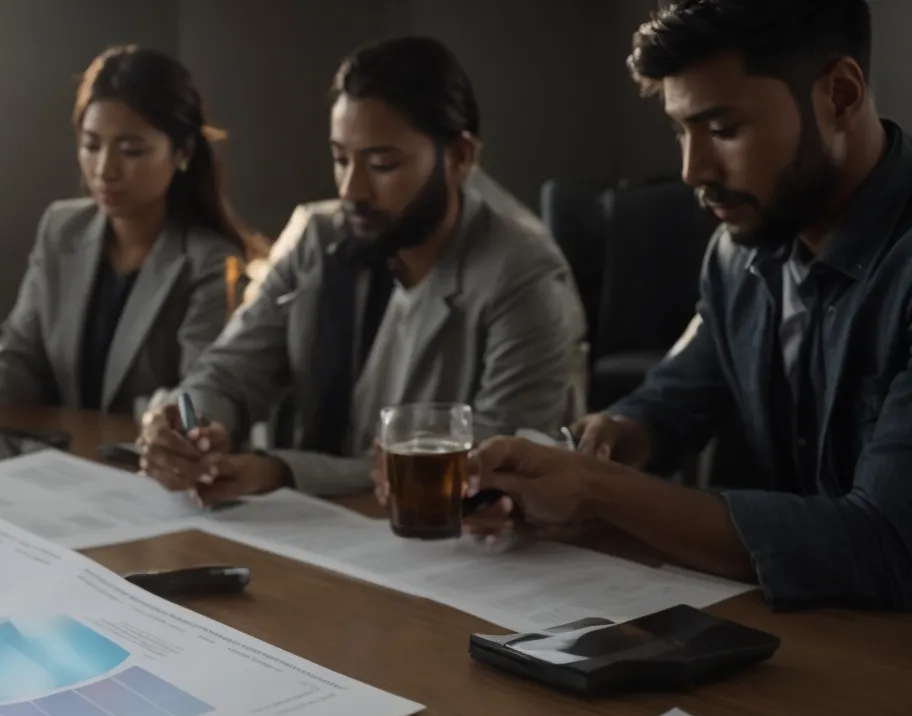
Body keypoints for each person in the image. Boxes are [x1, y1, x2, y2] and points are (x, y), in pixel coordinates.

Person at [466, 0, 912, 610]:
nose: (691, 169)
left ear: (838, 94)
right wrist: (613, 438)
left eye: (724, 129)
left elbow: (886, 545)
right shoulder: (738, 254)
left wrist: (598, 490)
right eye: (682, 131)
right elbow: (676, 398)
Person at [141, 37, 582, 501]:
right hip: (314, 538)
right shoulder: (317, 237)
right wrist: (189, 425)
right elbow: (228, 374)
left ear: (460, 158)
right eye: (340, 159)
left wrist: (285, 472)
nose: (352, 190)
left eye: (382, 164)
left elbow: (488, 466)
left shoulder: (523, 275)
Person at [0, 46, 266, 417]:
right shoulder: (62, 229)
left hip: (149, 465)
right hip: (59, 461)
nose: (105, 170)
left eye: (131, 150)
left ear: (182, 153)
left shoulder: (211, 263)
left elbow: (201, 399)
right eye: (91, 146)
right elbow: (21, 362)